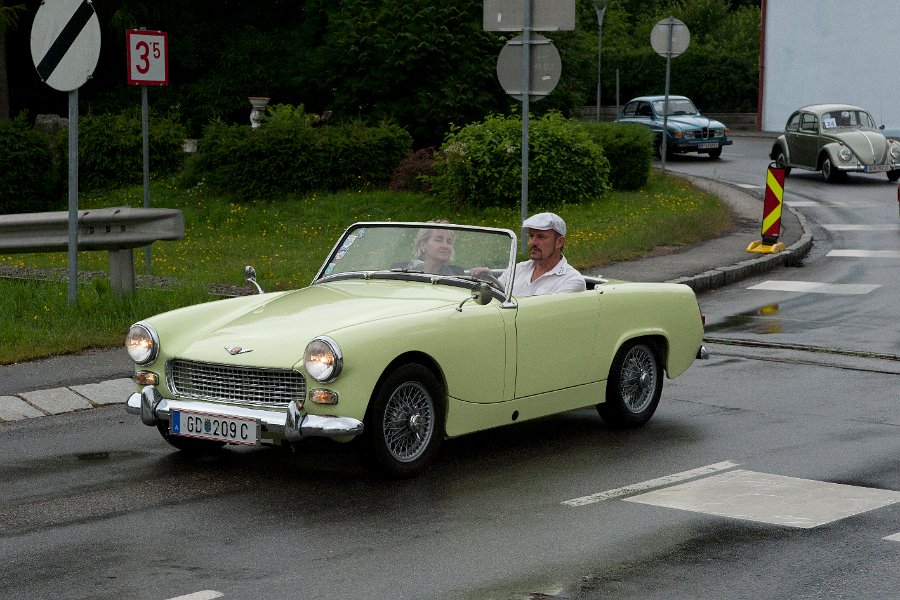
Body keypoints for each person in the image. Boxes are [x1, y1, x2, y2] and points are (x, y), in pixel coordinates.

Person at [498, 212, 585, 296]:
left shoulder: (571, 280)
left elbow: (548, 310)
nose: (533, 242)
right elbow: (494, 297)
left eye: (541, 237)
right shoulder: (517, 270)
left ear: (559, 242)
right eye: (531, 236)